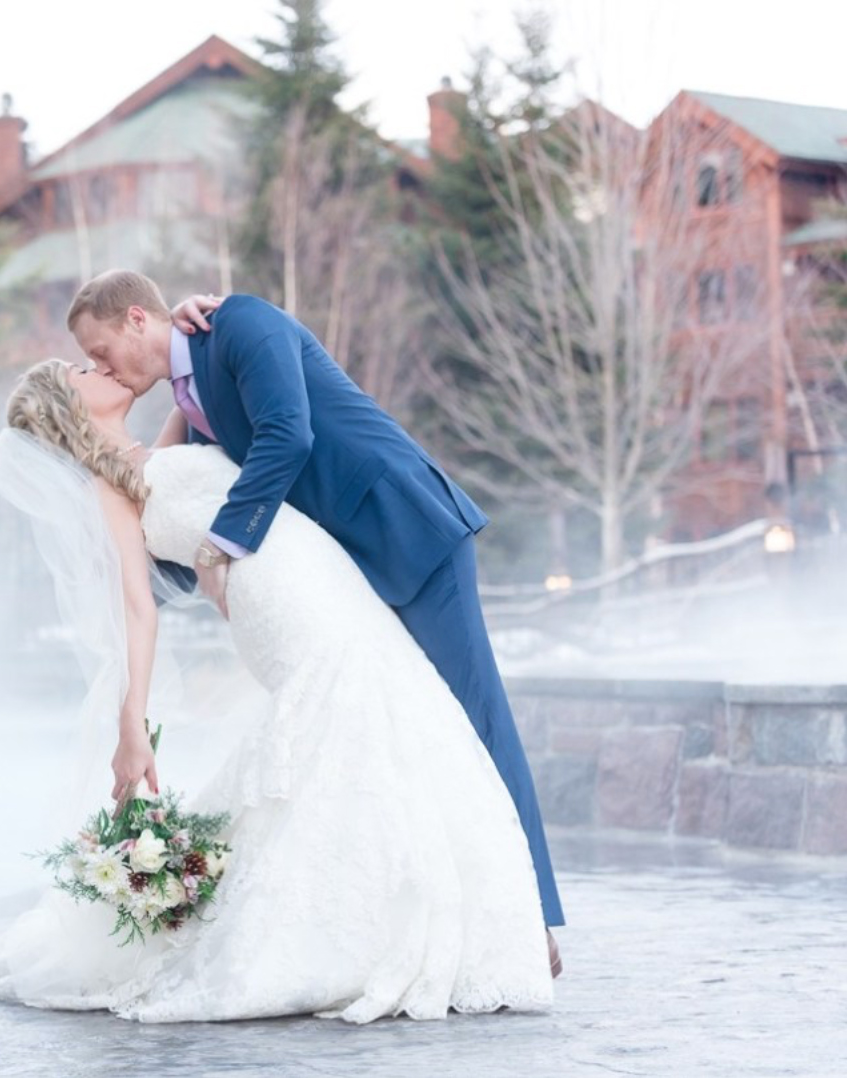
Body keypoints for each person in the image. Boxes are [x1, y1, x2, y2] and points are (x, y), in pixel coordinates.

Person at [0, 356, 552, 1022]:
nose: (96, 364)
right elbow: (137, 607)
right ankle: (358, 932)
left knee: (394, 702)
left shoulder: (148, 453)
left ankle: (434, 911)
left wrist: (188, 335)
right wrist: (133, 724)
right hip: (280, 601)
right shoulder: (106, 489)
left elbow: (189, 391)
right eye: (79, 369)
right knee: (350, 706)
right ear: (70, 406)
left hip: (317, 572)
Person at [72, 271, 564, 966]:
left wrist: (222, 545)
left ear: (133, 320)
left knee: (475, 717)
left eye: (100, 350)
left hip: (405, 528)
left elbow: (288, 434)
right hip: (341, 571)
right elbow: (172, 505)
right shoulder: (186, 392)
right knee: (411, 731)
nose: (100, 367)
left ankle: (531, 919)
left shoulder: (240, 323)